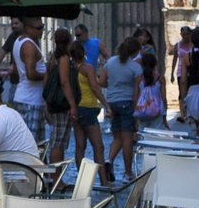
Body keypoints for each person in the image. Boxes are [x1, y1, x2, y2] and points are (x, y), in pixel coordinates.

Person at [101, 36, 142, 180]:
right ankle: (127, 172)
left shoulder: (110, 62)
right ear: (135, 51)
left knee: (117, 136)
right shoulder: (135, 68)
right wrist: (136, 112)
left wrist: (113, 84)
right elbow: (136, 92)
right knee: (127, 139)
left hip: (112, 102)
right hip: (127, 102)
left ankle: (108, 160)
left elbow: (102, 82)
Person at [72, 37, 108, 182]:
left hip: (76, 108)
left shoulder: (70, 68)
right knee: (98, 146)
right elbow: (95, 88)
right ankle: (104, 181)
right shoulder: (88, 68)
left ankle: (82, 180)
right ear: (84, 52)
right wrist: (106, 104)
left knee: (80, 146)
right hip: (88, 107)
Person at [9, 17, 47, 143]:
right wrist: (48, 75)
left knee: (36, 144)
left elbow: (16, 69)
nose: (42, 31)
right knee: (32, 144)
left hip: (27, 97)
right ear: (28, 28)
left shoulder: (19, 42)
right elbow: (30, 74)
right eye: (39, 28)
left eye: (43, 27)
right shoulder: (29, 45)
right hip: (31, 100)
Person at [45, 27, 78, 165]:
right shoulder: (63, 58)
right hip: (61, 103)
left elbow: (46, 79)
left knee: (58, 140)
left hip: (53, 102)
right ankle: (56, 177)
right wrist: (72, 104)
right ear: (68, 41)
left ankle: (57, 177)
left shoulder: (53, 57)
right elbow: (64, 82)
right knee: (58, 142)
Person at [173, 25, 193, 122]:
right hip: (180, 71)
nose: (185, 36)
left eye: (187, 34)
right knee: (182, 93)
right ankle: (183, 113)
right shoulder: (177, 45)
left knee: (190, 92)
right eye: (183, 34)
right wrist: (172, 72)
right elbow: (174, 59)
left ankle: (190, 112)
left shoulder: (193, 45)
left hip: (191, 71)